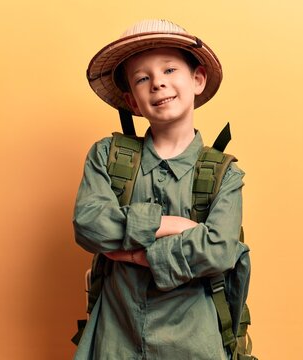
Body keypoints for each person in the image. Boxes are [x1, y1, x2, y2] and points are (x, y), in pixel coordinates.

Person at [73, 19, 250, 360]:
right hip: (115, 338)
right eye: (143, 77)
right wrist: (174, 225)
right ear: (132, 101)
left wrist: (133, 254)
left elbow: (219, 249)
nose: (158, 83)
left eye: (170, 69)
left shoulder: (225, 175)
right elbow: (88, 224)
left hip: (194, 343)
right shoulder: (106, 157)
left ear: (197, 79)